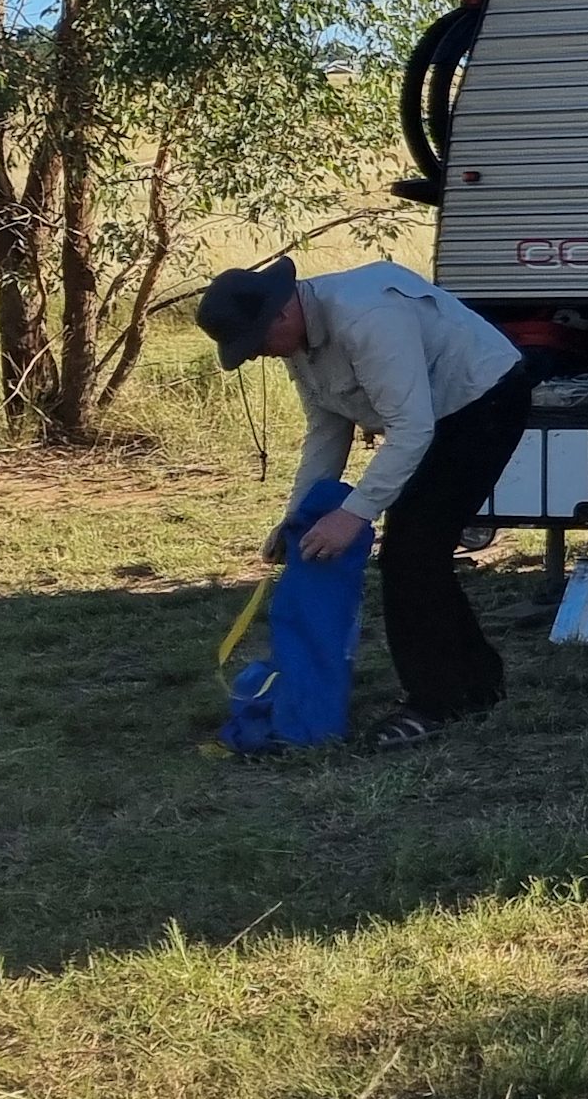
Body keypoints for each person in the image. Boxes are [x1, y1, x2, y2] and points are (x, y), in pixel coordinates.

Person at [195, 256, 534, 749]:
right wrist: (298, 520)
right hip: (424, 418)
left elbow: (411, 429)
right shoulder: (297, 337)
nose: (259, 356)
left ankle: (435, 702)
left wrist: (354, 513)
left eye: (257, 343)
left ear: (282, 315)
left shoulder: (366, 319)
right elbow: (328, 427)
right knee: (416, 553)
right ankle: (475, 684)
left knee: (411, 552)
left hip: (482, 400)